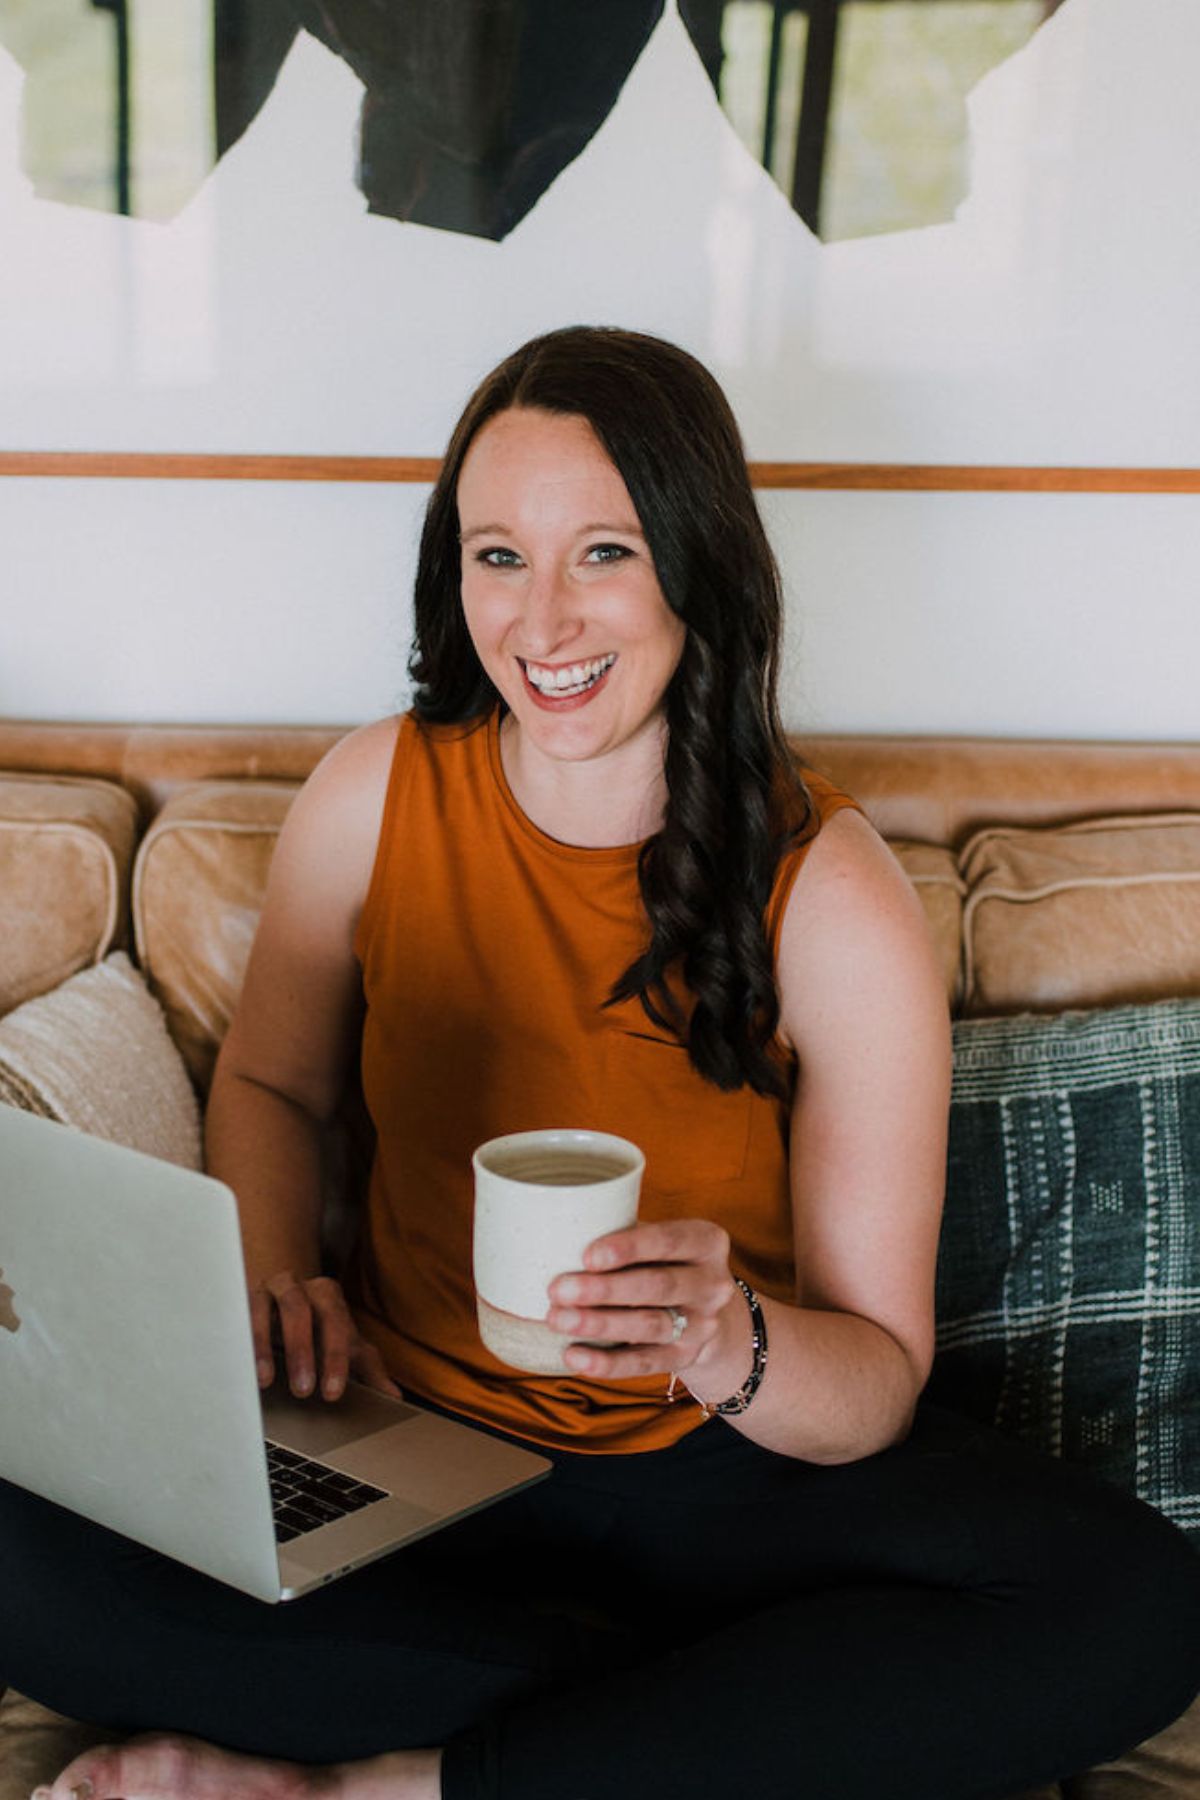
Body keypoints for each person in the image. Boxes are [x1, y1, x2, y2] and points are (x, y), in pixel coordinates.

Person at [8, 327, 1200, 1800]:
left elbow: (877, 1379)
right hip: (410, 1450)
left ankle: (387, 1784)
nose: (543, 620)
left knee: (1137, 1606)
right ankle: (711, 1726)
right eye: (498, 556)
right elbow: (271, 1087)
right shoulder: (376, 791)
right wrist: (273, 1275)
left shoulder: (829, 891)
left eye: (605, 554)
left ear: (698, 566)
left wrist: (722, 1338)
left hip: (722, 1480)